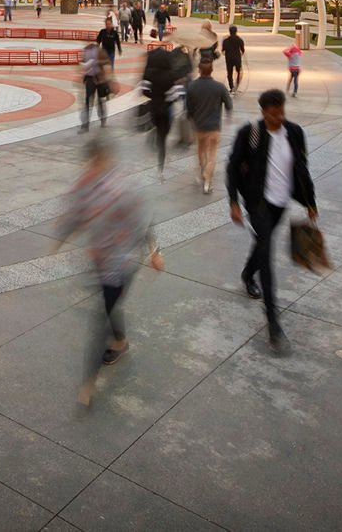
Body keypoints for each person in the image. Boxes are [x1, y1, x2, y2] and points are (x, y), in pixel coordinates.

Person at [54, 137, 164, 409]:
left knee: (100, 317)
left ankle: (88, 384)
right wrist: (62, 236)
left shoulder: (123, 188)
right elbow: (75, 215)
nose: (90, 168)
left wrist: (154, 251)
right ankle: (121, 341)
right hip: (100, 261)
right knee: (109, 306)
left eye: (95, 163)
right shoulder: (85, 186)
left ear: (104, 161)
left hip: (123, 263)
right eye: (88, 163)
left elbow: (145, 220)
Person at [226, 88, 318, 355]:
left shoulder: (294, 132)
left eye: (282, 112)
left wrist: (310, 202)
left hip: (281, 203)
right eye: (274, 113)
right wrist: (233, 202)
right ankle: (273, 322)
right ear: (264, 111)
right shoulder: (250, 134)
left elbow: (302, 168)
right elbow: (232, 168)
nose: (280, 117)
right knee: (267, 255)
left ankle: (246, 273)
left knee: (262, 243)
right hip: (258, 203)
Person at [185, 60, 232, 194]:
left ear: (199, 70)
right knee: (212, 154)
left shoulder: (192, 87)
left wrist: (192, 118)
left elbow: (188, 108)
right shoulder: (219, 87)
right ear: (211, 70)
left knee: (201, 151)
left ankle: (203, 172)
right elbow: (229, 105)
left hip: (199, 125)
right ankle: (207, 181)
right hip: (214, 126)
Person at [142, 39, 178, 178]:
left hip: (154, 108)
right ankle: (161, 162)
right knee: (164, 134)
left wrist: (154, 95)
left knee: (159, 131)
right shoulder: (171, 74)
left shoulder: (150, 72)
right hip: (167, 109)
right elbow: (175, 95)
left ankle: (157, 140)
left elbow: (144, 91)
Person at [80, 41, 108, 131]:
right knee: (88, 101)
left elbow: (106, 61)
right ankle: (85, 124)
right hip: (89, 79)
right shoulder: (85, 51)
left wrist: (97, 62)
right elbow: (83, 63)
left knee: (100, 100)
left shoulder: (100, 51)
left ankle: (102, 118)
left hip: (99, 79)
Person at [221, 25, 246, 91]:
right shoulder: (239, 40)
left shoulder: (225, 40)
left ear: (229, 31)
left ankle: (231, 86)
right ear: (236, 31)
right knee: (239, 72)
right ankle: (237, 84)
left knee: (229, 73)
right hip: (237, 58)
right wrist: (241, 54)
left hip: (229, 58)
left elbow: (223, 50)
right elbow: (242, 50)